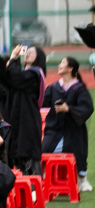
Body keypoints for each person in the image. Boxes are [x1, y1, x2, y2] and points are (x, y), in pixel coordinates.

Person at [0, 45, 45, 175]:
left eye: (31, 52)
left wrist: (13, 57)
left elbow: (15, 76)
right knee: (17, 156)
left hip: (28, 121)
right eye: (27, 52)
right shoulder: (23, 74)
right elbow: (4, 79)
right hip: (18, 121)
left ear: (39, 58)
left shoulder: (34, 74)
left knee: (28, 157)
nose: (27, 54)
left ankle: (34, 185)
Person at [42, 57, 93, 191]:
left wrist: (68, 109)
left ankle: (82, 180)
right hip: (54, 130)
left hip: (73, 130)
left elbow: (87, 107)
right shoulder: (53, 88)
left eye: (63, 63)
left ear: (70, 69)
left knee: (78, 153)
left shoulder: (79, 88)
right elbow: (42, 104)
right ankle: (42, 178)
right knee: (42, 151)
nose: (59, 65)